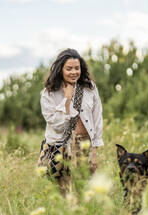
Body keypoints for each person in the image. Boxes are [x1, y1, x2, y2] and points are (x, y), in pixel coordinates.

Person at [40, 48, 104, 194]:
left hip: (84, 145)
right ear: (60, 69)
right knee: (61, 191)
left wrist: (95, 153)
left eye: (77, 68)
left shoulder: (90, 88)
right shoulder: (49, 93)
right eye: (69, 69)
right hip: (60, 145)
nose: (74, 72)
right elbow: (55, 124)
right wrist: (67, 99)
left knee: (82, 190)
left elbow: (97, 119)